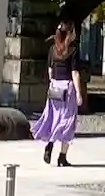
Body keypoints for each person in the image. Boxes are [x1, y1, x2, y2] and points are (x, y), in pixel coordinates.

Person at [31, 20, 85, 167]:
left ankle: (50, 144)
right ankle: (62, 156)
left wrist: (53, 83)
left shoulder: (52, 49)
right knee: (67, 121)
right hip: (67, 89)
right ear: (69, 34)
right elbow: (74, 73)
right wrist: (79, 93)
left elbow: (50, 70)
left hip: (54, 87)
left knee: (53, 118)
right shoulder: (73, 50)